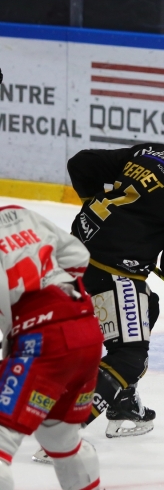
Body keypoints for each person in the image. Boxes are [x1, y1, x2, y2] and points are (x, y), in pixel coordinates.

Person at [63, 113, 164, 442]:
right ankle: (64, 432)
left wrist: (101, 213)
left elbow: (81, 164)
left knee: (147, 307)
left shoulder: (150, 152)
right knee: (129, 358)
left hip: (72, 252)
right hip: (111, 272)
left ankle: (123, 403)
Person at [0, 204, 104, 490]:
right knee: (61, 438)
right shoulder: (20, 214)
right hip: (85, 329)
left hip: (43, 341)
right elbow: (78, 256)